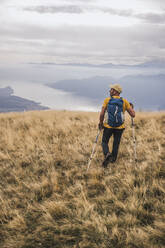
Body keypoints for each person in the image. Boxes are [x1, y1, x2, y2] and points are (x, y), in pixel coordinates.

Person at [98, 84, 135, 167]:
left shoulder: (107, 100)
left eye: (111, 89)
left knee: (104, 141)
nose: (110, 91)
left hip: (108, 126)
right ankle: (113, 159)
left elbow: (102, 114)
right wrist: (131, 108)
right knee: (116, 143)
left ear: (116, 91)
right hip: (120, 127)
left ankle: (107, 154)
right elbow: (133, 115)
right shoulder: (124, 101)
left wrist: (101, 123)